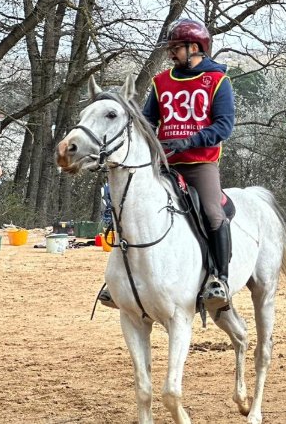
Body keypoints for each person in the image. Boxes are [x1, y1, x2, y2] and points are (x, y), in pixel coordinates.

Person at [98, 18, 236, 310]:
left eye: (177, 48)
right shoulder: (160, 82)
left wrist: (190, 141)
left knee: (213, 213)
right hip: (162, 162)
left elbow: (224, 125)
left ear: (195, 47)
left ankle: (218, 279)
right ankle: (119, 282)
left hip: (200, 163)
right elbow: (148, 121)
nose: (172, 54)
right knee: (130, 209)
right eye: (171, 48)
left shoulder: (218, 81)